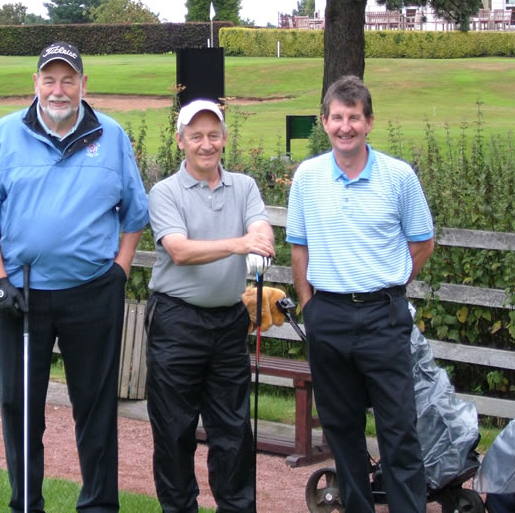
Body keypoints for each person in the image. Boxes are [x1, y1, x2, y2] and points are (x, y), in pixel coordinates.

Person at [0, 41, 149, 513]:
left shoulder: (112, 136)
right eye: (49, 80)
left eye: (68, 80)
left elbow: (134, 214)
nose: (58, 90)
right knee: (19, 407)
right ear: (36, 84)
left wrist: (120, 271)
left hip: (92, 294)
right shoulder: (4, 134)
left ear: (84, 84)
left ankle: (99, 506)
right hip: (19, 296)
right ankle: (27, 504)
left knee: (96, 408)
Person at [285, 75, 435, 513]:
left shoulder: (398, 177)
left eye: (354, 117)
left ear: (369, 122)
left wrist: (392, 282)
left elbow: (423, 242)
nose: (345, 126)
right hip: (328, 315)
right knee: (341, 431)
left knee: (399, 431)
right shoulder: (307, 177)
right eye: (337, 117)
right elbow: (299, 247)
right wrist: (309, 307)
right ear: (324, 122)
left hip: (383, 317)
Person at [145, 99, 275, 513]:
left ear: (224, 139)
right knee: (174, 430)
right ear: (180, 140)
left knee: (234, 429)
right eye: (196, 136)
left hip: (228, 321)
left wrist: (259, 238)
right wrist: (240, 244)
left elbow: (260, 228)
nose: (206, 144)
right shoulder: (165, 192)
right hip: (176, 322)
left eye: (214, 135)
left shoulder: (245, 186)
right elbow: (179, 251)